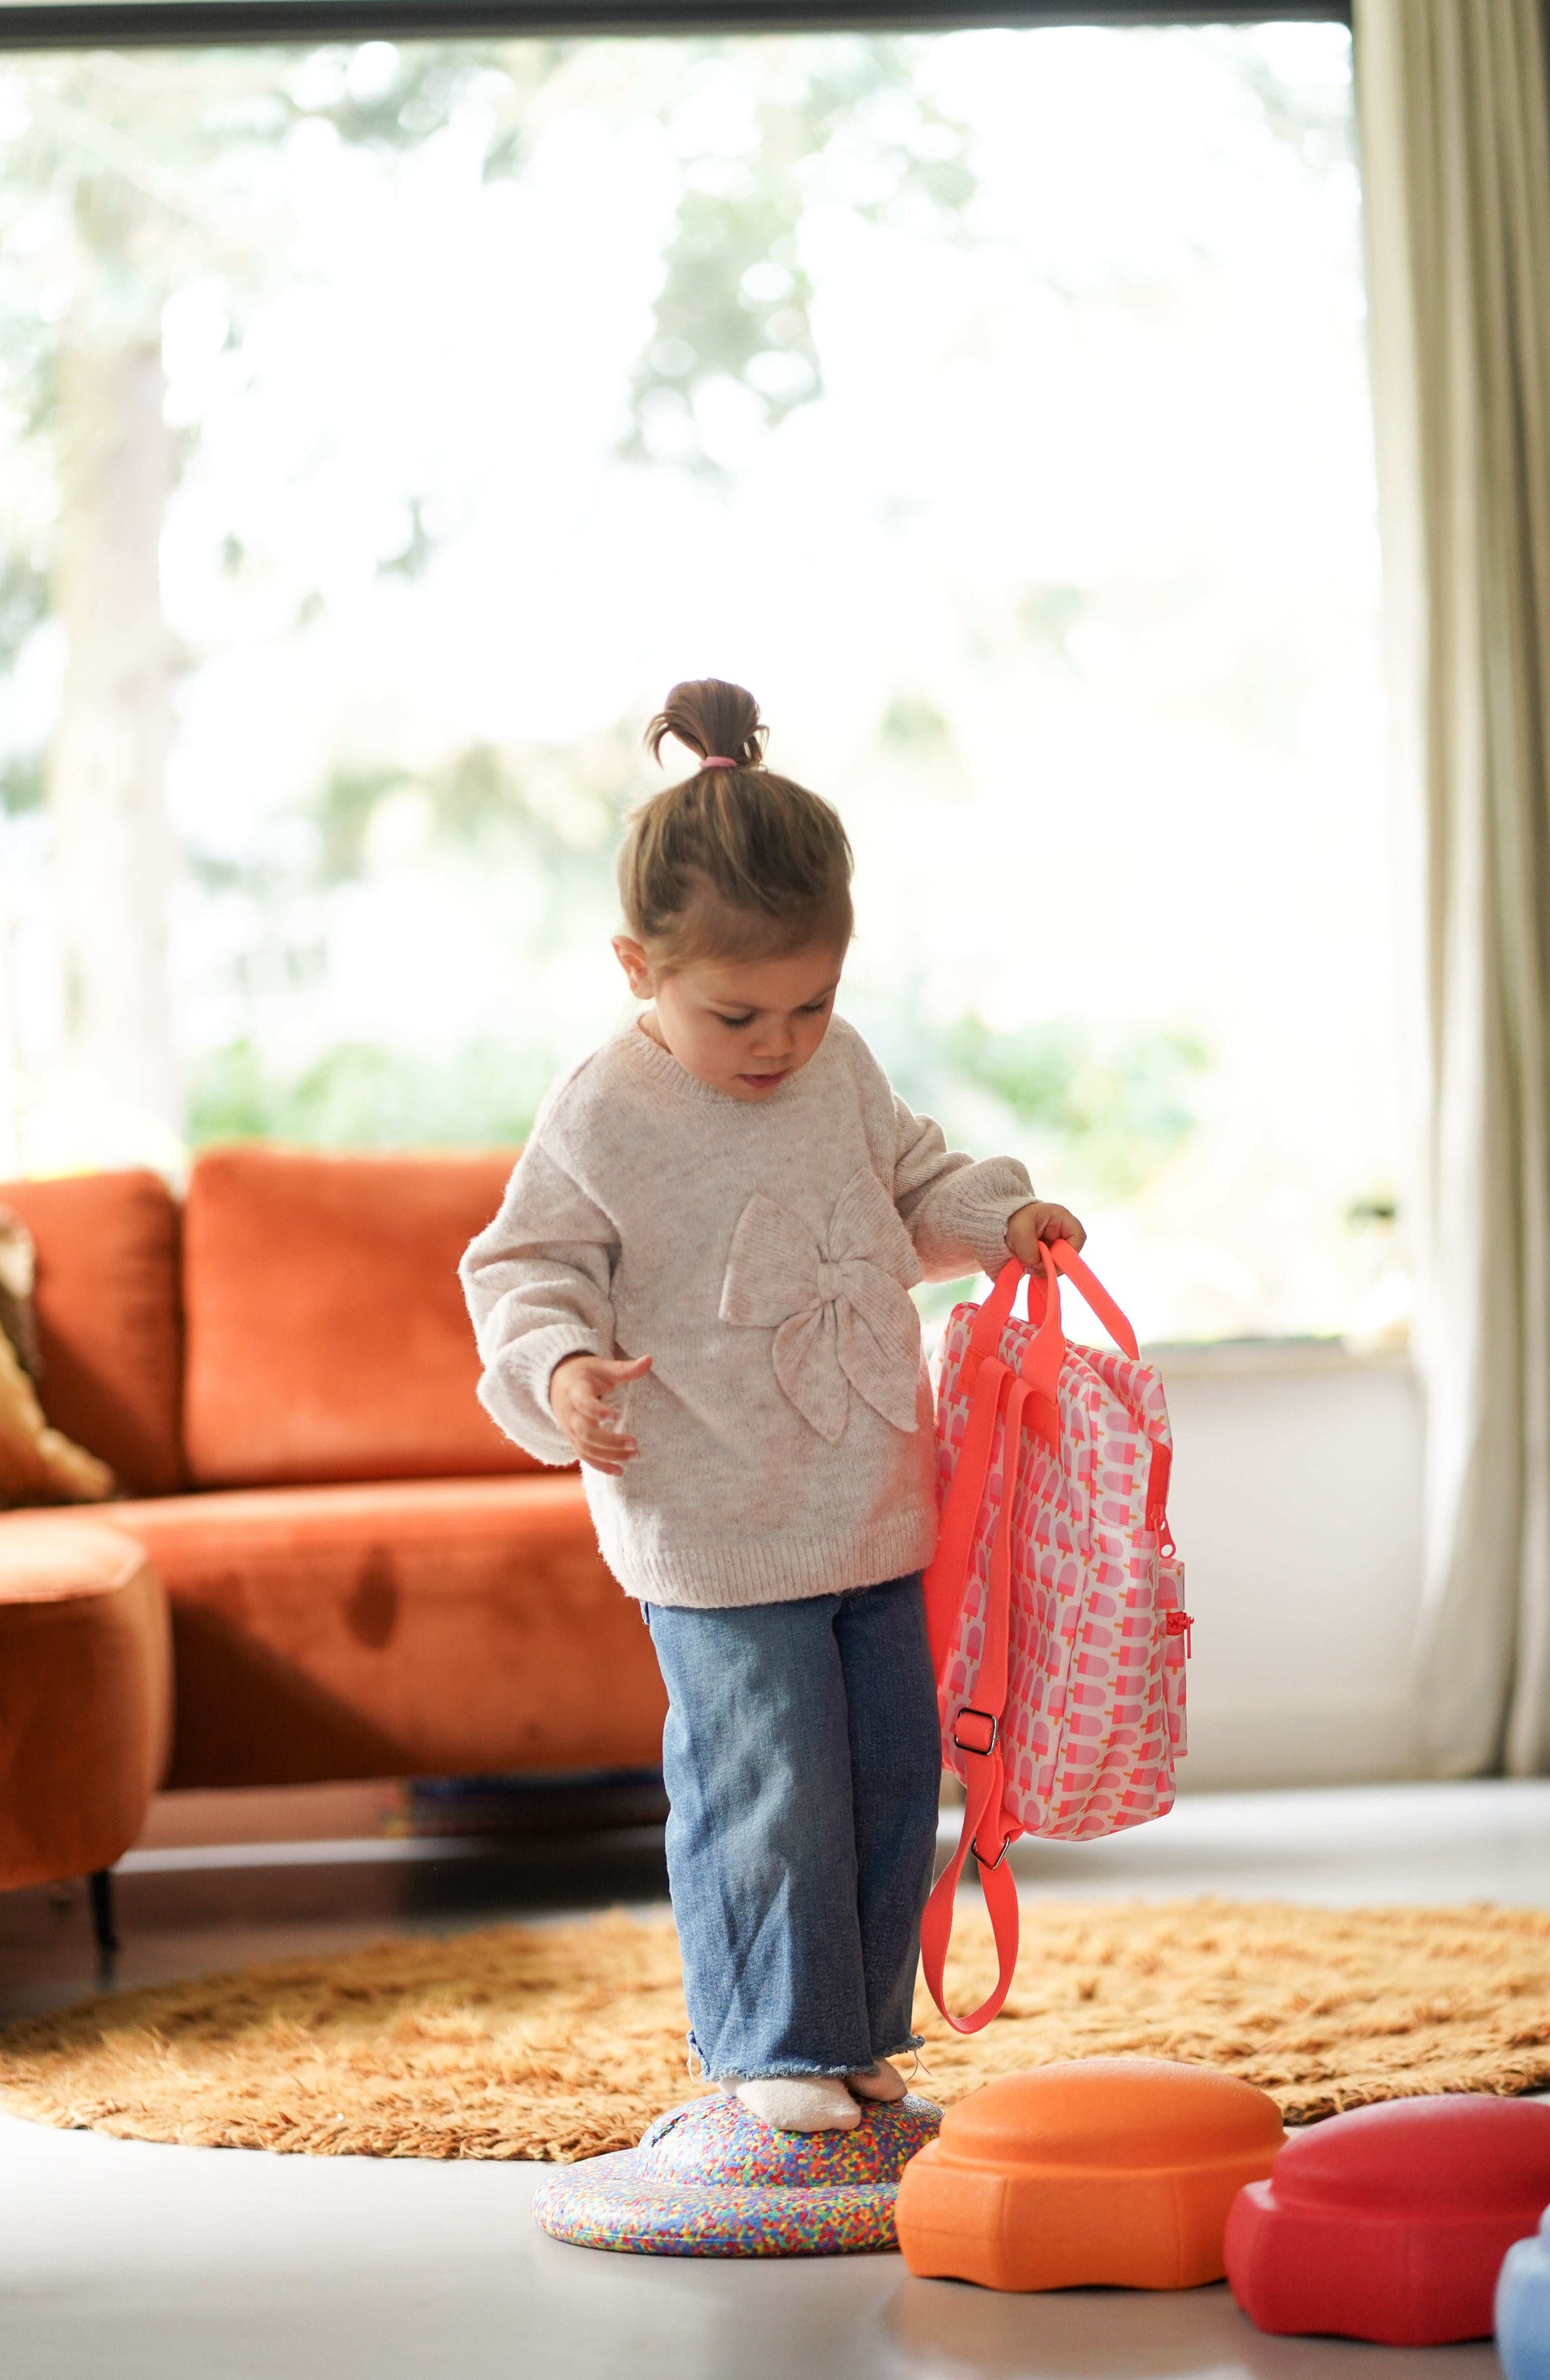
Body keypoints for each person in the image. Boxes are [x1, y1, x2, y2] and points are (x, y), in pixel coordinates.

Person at [460, 678, 1083, 2133]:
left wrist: (1002, 1225)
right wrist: (561, 1373)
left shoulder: (837, 1072)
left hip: (868, 1497)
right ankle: (765, 2043)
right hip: (713, 1517)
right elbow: (525, 1265)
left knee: (883, 1775)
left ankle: (851, 2034)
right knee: (767, 1782)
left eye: (814, 1004)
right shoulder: (602, 1113)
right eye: (738, 1011)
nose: (781, 1041)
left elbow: (915, 1183)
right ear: (637, 968)